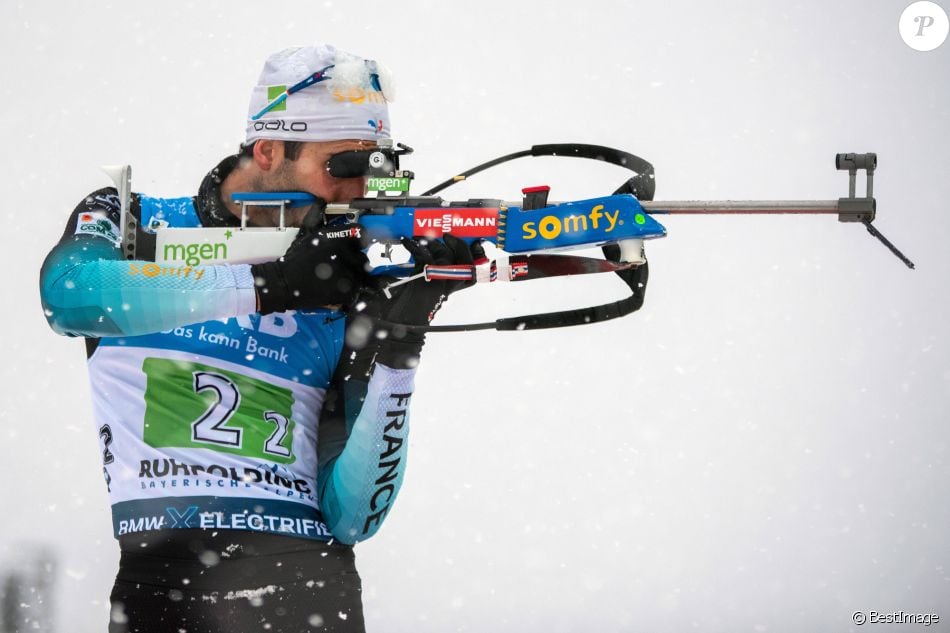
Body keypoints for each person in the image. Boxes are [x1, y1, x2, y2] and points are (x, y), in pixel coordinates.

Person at [39, 44, 478, 633]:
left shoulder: (350, 279)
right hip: (167, 583)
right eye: (343, 166)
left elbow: (352, 516)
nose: (358, 191)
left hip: (311, 586)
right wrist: (269, 285)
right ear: (268, 150)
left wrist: (399, 345)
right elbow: (68, 295)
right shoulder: (136, 221)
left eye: (379, 166)